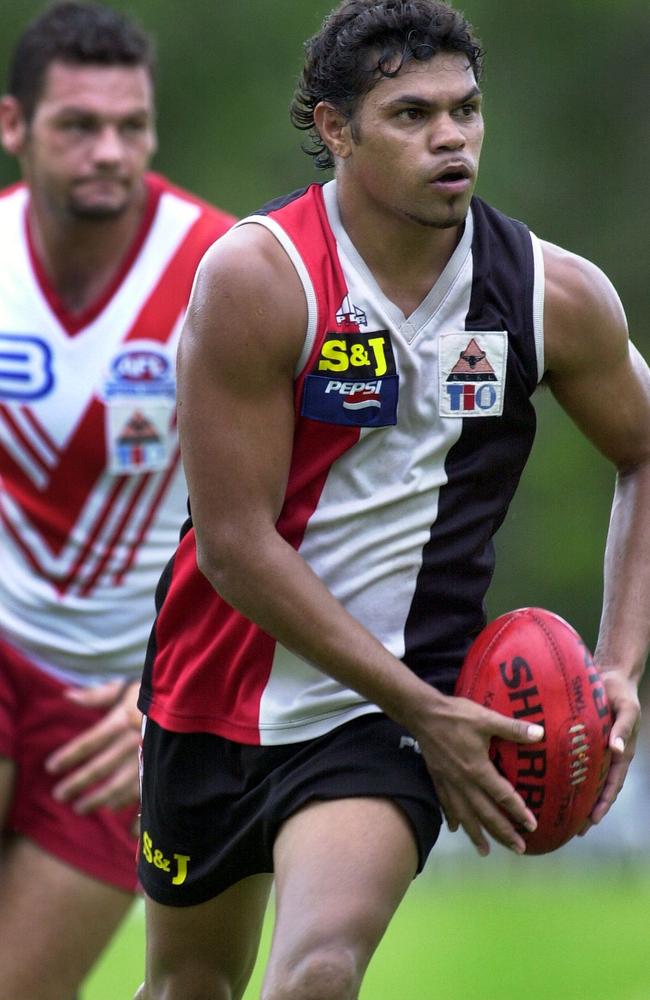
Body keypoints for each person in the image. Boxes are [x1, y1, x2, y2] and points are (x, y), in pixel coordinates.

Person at [135, 1, 650, 997]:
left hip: (394, 716)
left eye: (464, 109)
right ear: (335, 128)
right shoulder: (260, 278)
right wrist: (430, 707)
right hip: (213, 689)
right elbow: (234, 549)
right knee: (185, 987)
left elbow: (641, 450)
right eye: (411, 114)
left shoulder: (549, 295)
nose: (450, 136)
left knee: (317, 970)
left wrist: (617, 664)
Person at [0, 3, 235, 997]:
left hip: (117, 710)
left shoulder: (224, 273)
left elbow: (289, 517)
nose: (110, 151)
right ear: (14, 125)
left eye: (130, 127)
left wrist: (167, 700)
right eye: (78, 126)